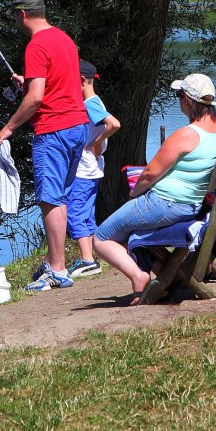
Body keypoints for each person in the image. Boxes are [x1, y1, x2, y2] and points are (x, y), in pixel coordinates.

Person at [92, 73, 216, 305]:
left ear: (188, 100)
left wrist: (134, 193)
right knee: (127, 230)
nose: (179, 100)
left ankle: (139, 278)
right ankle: (162, 275)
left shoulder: (186, 135)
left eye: (179, 95)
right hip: (191, 205)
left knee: (102, 238)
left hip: (163, 204)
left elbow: (150, 173)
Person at [0, 0, 89, 292]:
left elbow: (36, 99)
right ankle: (55, 261)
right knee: (61, 194)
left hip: (53, 130)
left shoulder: (36, 45)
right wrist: (28, 80)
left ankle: (57, 269)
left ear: (21, 14)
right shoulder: (63, 39)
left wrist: (8, 128)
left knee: (51, 198)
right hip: (77, 126)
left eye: (13, 15)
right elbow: (55, 83)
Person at [66, 59, 121, 278]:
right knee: (87, 213)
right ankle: (92, 256)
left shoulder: (90, 104)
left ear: (80, 81)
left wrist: (97, 142)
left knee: (74, 212)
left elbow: (114, 124)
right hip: (91, 169)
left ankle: (88, 260)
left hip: (84, 169)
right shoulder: (93, 101)